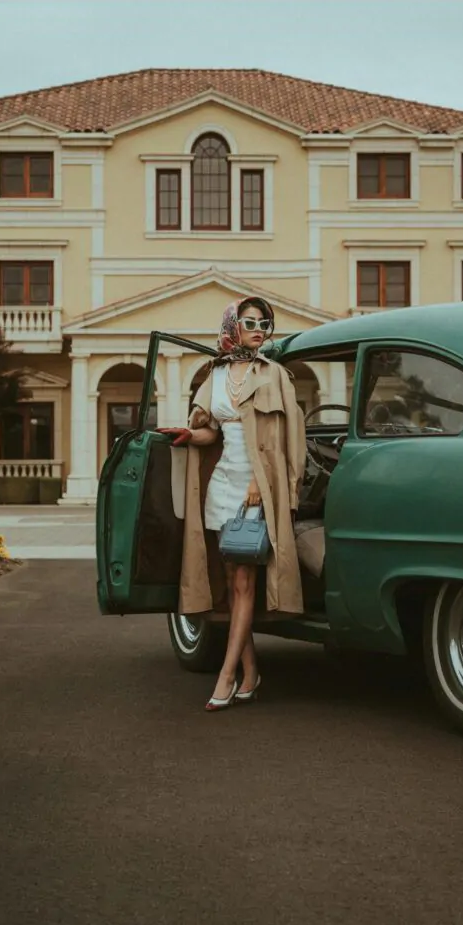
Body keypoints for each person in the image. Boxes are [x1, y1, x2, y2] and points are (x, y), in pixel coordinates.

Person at [159, 297, 306, 712]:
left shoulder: (276, 375)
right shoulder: (215, 376)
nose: (259, 329)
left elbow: (290, 440)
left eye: (265, 323)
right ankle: (252, 670)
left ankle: (227, 676)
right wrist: (190, 435)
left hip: (257, 488)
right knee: (228, 583)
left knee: (244, 582)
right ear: (232, 327)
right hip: (221, 485)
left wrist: (276, 487)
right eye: (250, 322)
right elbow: (212, 434)